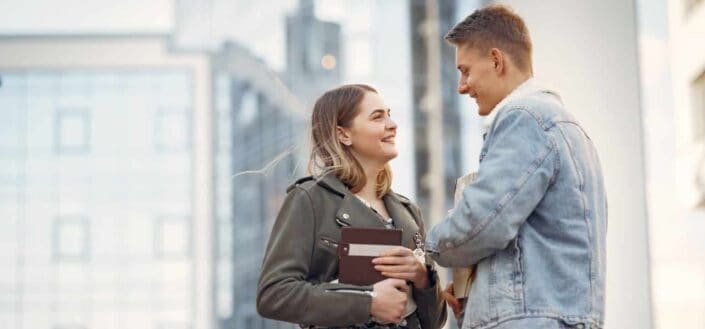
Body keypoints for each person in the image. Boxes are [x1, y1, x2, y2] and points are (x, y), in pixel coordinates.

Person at [425, 5, 607, 329]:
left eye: (465, 71)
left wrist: (427, 250)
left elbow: (481, 222)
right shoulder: (565, 127)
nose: (461, 86)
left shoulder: (524, 117)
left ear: (496, 61)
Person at [257, 84, 447, 329]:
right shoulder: (310, 200)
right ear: (343, 134)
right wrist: (367, 302)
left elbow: (434, 322)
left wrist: (422, 277)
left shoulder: (409, 212)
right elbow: (274, 294)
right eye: (378, 117)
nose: (392, 124)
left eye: (389, 114)